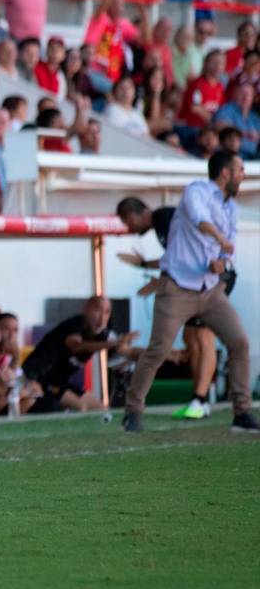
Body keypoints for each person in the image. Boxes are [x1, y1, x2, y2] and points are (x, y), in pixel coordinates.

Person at [122, 153, 255, 434]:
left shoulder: (231, 207)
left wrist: (221, 261)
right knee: (158, 350)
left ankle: (241, 412)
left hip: (210, 289)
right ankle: (133, 411)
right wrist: (218, 239)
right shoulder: (196, 191)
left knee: (240, 343)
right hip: (177, 288)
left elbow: (227, 252)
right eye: (240, 169)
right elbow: (199, 220)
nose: (244, 173)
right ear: (224, 173)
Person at [115, 197, 224, 420]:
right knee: (191, 336)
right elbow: (173, 258)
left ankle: (201, 400)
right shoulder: (160, 224)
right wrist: (145, 265)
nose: (129, 228)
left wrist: (159, 282)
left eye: (128, 221)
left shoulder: (165, 217)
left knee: (204, 337)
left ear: (136, 213)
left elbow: (181, 257)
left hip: (211, 278)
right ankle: (199, 398)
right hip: (196, 281)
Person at [22, 296, 135, 414]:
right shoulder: (73, 325)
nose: (102, 317)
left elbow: (125, 350)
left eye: (107, 312)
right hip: (37, 379)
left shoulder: (103, 335)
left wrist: (150, 355)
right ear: (85, 309)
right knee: (81, 407)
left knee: (102, 411)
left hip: (59, 383)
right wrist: (113, 343)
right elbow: (76, 346)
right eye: (97, 310)